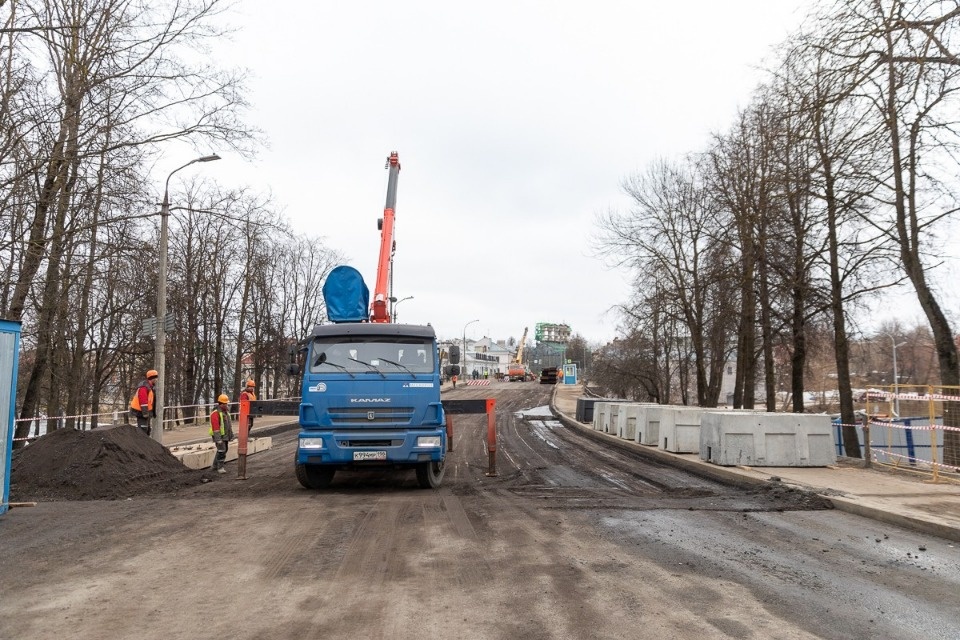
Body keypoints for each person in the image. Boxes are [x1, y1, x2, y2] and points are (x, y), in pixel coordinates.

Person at [209, 394, 234, 474]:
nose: (227, 405)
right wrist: (218, 439)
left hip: (225, 435)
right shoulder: (215, 413)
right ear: (221, 404)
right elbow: (216, 428)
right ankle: (220, 467)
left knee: (223, 450)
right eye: (225, 403)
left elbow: (228, 426)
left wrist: (231, 435)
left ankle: (214, 466)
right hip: (220, 436)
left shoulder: (226, 413)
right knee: (222, 451)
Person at [129, 369, 159, 436]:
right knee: (143, 431)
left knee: (147, 430)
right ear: (152, 378)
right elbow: (143, 402)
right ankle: (140, 442)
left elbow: (151, 402)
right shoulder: (144, 387)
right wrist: (145, 414)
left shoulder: (149, 387)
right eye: (155, 378)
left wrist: (151, 413)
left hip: (145, 412)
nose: (156, 379)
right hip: (141, 412)